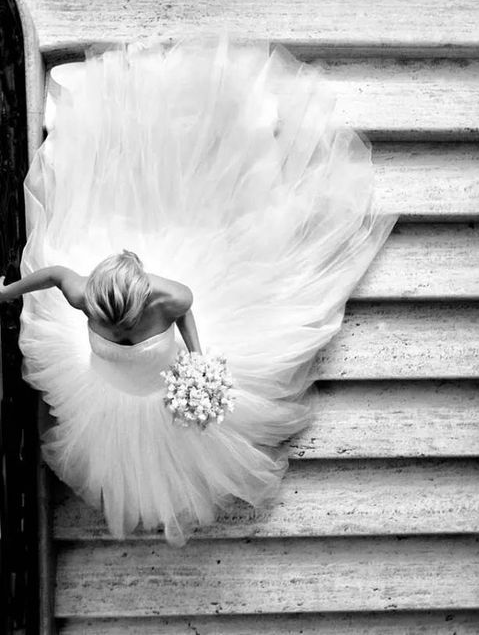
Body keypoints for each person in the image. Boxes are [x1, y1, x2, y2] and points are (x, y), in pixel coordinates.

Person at [0, 32, 397, 545]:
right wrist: (196, 359)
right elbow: (163, 308)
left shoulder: (114, 298)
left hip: (129, 381)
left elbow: (53, 275)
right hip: (130, 386)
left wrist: (8, 294)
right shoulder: (147, 298)